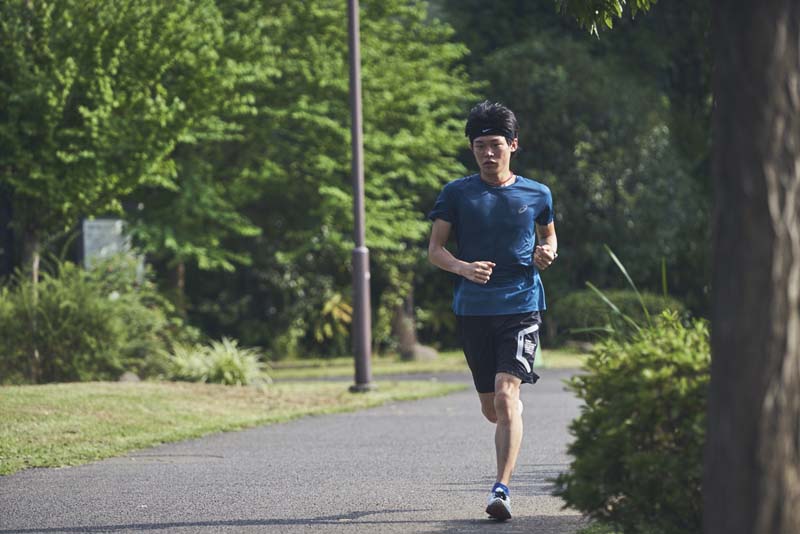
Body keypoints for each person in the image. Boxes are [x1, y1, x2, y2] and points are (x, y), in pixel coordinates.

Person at [427, 101, 558, 521]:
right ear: (472, 148)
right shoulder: (456, 193)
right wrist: (463, 267)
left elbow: (550, 238)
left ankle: (500, 490)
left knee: (506, 394)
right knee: (492, 407)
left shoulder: (537, 193)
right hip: (473, 310)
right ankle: (509, 416)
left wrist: (546, 254)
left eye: (496, 145)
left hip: (521, 305)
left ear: (513, 145)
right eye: (480, 145)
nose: (488, 153)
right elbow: (435, 250)